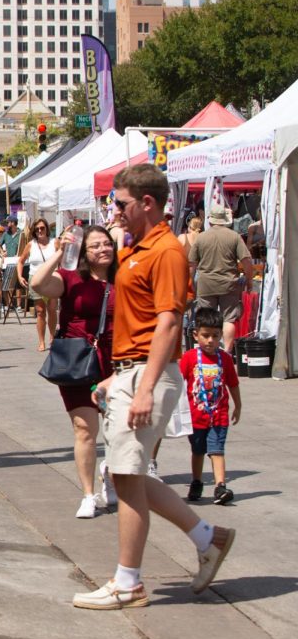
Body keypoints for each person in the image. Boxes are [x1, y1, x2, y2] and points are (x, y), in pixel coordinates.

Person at [75, 164, 235, 610]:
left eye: (121, 204)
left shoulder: (164, 251)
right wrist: (121, 374)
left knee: (125, 477)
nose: (115, 212)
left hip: (147, 373)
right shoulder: (140, 247)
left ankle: (129, 582)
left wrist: (143, 386)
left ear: (147, 203)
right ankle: (209, 537)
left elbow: (168, 321)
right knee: (131, 474)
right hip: (134, 370)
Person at [31, 225, 120, 519]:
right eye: (95, 246)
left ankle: (109, 471)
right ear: (83, 252)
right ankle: (87, 494)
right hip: (77, 360)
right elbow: (37, 284)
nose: (103, 249)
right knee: (85, 430)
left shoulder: (124, 278)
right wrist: (60, 252)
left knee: (118, 428)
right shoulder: (71, 278)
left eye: (107, 244)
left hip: (116, 362)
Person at [180, 307, 241, 505]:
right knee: (198, 451)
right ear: (196, 334)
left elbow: (232, 384)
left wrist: (238, 405)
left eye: (215, 336)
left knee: (217, 450)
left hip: (219, 415)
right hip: (195, 416)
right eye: (205, 336)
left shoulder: (225, 359)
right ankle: (197, 481)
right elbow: (179, 383)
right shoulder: (189, 358)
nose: (210, 341)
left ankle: (220, 486)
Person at [189, 203, 254, 354]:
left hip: (206, 284)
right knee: (228, 319)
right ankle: (226, 352)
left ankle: (206, 352)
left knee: (206, 318)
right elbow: (247, 261)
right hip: (229, 284)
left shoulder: (201, 238)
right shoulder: (234, 237)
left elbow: (191, 264)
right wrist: (249, 279)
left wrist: (191, 283)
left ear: (210, 220)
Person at [18, 217, 58, 352]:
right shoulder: (31, 244)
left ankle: (52, 337)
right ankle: (41, 341)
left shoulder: (55, 242)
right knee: (40, 311)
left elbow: (63, 259)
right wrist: (19, 276)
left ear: (47, 229)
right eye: (37, 229)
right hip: (35, 280)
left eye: (42, 228)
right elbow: (21, 261)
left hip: (52, 279)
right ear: (34, 231)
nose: (40, 231)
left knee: (52, 309)